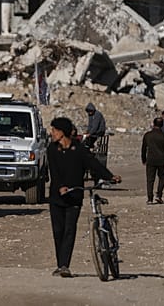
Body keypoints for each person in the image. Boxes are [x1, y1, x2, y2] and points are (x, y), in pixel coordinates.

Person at [47, 117, 121, 278]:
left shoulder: (79, 149)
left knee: (69, 230)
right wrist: (60, 187)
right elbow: (54, 172)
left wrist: (110, 176)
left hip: (74, 196)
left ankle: (65, 265)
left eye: (53, 130)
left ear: (61, 132)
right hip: (56, 197)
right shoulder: (51, 149)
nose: (51, 133)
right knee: (58, 231)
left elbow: (93, 164)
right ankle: (60, 264)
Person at [142, 117, 164, 204]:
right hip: (161, 160)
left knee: (150, 179)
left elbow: (143, 148)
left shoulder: (147, 135)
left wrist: (143, 159)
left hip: (150, 159)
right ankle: (159, 195)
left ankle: (150, 198)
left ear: (153, 124)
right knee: (163, 177)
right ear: (162, 125)